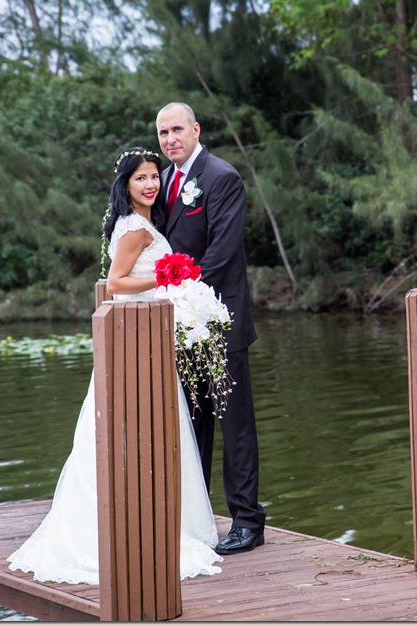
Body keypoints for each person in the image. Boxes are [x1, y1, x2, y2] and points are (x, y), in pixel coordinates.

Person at [7, 148, 223, 583]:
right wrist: (168, 279)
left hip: (146, 339)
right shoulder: (135, 230)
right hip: (135, 343)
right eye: (140, 178)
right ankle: (132, 525)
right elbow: (118, 283)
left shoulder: (142, 225)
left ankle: (150, 518)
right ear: (126, 185)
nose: (149, 184)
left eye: (153, 177)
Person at [153, 102, 266, 555]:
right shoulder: (161, 181)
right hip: (180, 327)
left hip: (219, 320)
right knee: (191, 423)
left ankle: (247, 522)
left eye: (177, 129)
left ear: (196, 129)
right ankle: (197, 521)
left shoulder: (222, 178)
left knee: (234, 424)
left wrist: (176, 296)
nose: (169, 139)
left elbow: (221, 252)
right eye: (163, 133)